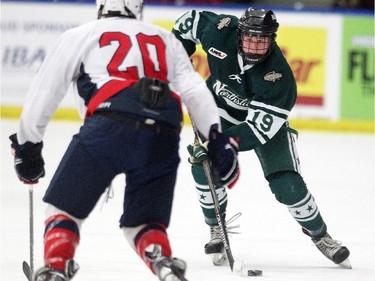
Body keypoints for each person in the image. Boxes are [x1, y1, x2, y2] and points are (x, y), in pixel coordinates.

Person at [9, 0, 240, 280]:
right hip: (165, 127)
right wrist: (216, 140)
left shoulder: (79, 35)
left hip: (109, 125)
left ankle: (56, 268)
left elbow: (45, 91)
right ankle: (165, 266)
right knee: (144, 223)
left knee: (63, 209)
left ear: (102, 5)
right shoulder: (164, 37)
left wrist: (27, 146)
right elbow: (195, 92)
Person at [172, 7, 352, 269]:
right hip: (216, 110)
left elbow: (257, 130)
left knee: (286, 183)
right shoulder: (221, 29)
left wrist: (217, 145)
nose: (255, 46)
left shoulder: (280, 78)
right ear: (239, 35)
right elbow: (188, 21)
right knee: (204, 166)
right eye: (250, 39)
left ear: (272, 39)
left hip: (262, 125)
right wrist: (179, 52)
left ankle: (320, 235)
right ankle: (216, 230)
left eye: (262, 40)